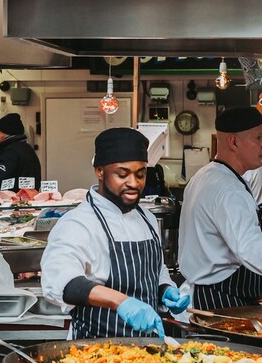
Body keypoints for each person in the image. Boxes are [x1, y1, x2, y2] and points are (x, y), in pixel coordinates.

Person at [40, 126, 188, 340]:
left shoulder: (145, 218)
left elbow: (155, 271)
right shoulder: (79, 223)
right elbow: (59, 282)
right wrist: (121, 302)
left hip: (149, 349)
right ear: (99, 170)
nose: (134, 183)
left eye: (140, 174)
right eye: (122, 174)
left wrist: (165, 290)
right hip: (95, 350)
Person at [178, 106, 262, 309]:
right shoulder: (228, 189)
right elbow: (250, 249)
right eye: (258, 138)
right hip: (219, 301)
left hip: (204, 293)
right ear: (234, 142)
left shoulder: (206, 175)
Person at [0, 113, 41, 191]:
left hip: (12, 198)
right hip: (26, 196)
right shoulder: (26, 148)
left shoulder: (11, 152)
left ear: (8, 133)